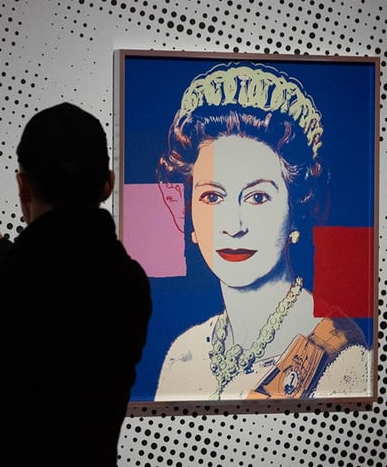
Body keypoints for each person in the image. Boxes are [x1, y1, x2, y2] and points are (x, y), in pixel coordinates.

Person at [0, 102, 152, 466]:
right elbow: (64, 285)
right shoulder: (128, 284)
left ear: (23, 186)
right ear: (108, 184)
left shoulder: (3, 297)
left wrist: (5, 260)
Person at [154, 63, 371, 401]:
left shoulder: (342, 359)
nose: (233, 226)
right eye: (212, 196)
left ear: (296, 210)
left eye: (257, 197)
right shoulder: (183, 355)